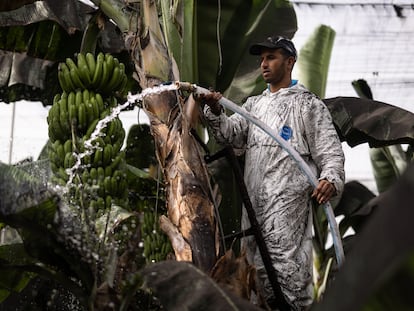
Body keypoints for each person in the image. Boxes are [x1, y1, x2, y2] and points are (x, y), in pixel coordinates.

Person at [199, 36, 345, 310]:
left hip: (287, 211)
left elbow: (330, 152)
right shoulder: (255, 105)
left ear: (289, 62)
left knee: (286, 274)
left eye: (271, 57)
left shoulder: (307, 105)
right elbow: (230, 135)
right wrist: (216, 110)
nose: (264, 64)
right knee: (254, 277)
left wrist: (330, 178)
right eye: (262, 58)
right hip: (254, 209)